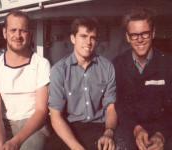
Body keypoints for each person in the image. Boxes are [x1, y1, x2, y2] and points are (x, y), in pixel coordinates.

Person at [0, 10, 50, 150]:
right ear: (5, 33)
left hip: (33, 126)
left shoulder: (41, 64)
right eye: (13, 30)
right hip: (3, 125)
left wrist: (15, 141)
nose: (18, 35)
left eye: (22, 31)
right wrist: (0, 144)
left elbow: (41, 111)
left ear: (29, 34)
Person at [48, 17, 117, 150]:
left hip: (99, 127)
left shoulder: (107, 67)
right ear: (73, 38)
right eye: (83, 36)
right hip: (68, 128)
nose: (88, 42)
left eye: (92, 37)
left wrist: (109, 132)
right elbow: (55, 117)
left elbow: (111, 107)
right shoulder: (59, 70)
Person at [113, 8, 172, 150]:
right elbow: (119, 106)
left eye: (144, 34)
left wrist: (161, 134)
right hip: (129, 129)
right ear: (127, 37)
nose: (139, 39)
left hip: (165, 128)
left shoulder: (168, 64)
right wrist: (136, 129)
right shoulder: (117, 65)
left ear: (153, 33)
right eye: (134, 35)